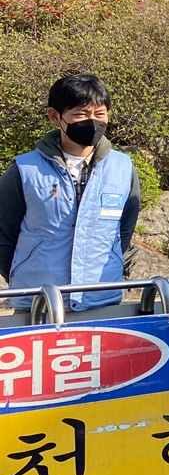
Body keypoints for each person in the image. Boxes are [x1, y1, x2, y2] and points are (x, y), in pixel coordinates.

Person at [0, 74, 141, 311]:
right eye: (81, 115)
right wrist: (23, 272)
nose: (92, 122)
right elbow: (4, 235)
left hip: (100, 298)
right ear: (55, 116)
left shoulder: (123, 167)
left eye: (100, 114)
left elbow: (124, 229)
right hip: (39, 301)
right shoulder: (25, 169)